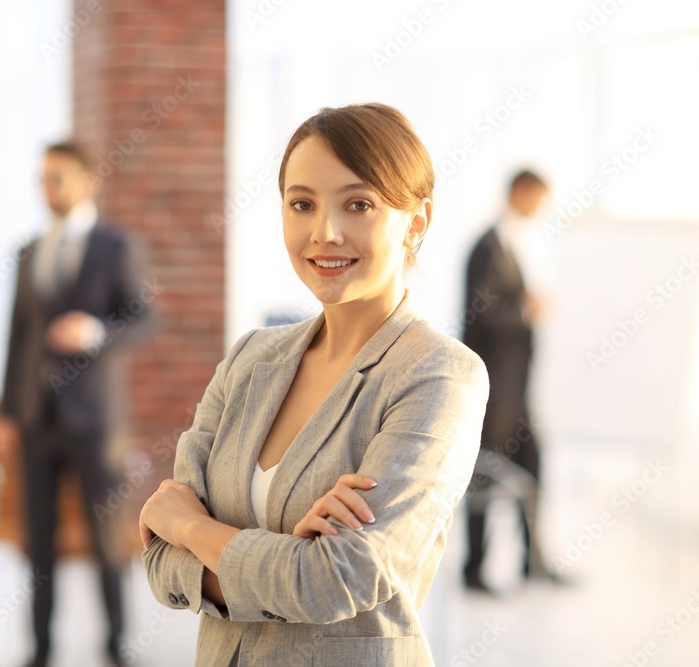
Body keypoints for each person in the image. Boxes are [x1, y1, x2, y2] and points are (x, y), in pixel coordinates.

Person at [138, 104, 489, 666]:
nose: (324, 232)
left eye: (358, 204)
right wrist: (283, 560)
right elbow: (159, 564)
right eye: (302, 204)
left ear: (416, 222)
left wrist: (191, 525)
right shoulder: (250, 359)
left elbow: (335, 581)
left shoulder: (438, 375)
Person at [0, 141, 152, 667]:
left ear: (89, 180)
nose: (48, 189)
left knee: (107, 538)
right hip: (37, 419)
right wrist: (8, 413)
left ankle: (117, 646)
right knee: (38, 541)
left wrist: (96, 331)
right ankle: (39, 649)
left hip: (94, 420)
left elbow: (144, 320)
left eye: (58, 178)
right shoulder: (29, 251)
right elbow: (16, 336)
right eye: (42, 179)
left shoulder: (115, 245)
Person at [461, 169, 554, 592]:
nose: (540, 208)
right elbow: (481, 314)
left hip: (516, 393)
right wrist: (525, 311)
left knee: (532, 466)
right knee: (481, 475)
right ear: (521, 191)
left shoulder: (510, 244)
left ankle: (532, 562)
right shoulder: (486, 247)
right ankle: (474, 569)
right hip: (493, 393)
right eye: (538, 198)